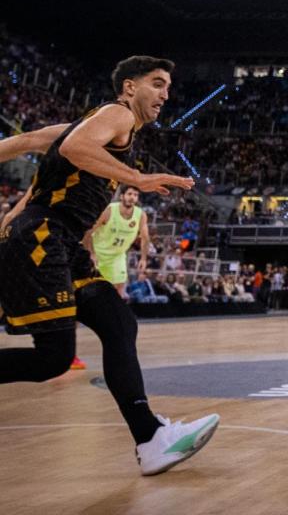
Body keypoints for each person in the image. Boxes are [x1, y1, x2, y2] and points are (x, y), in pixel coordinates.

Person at [0, 56, 218, 475]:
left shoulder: (93, 125)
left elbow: (31, 141)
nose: (165, 94)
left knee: (118, 325)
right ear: (130, 88)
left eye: (169, 86)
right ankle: (150, 437)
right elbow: (71, 148)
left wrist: (20, 208)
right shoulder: (115, 114)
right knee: (54, 359)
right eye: (157, 83)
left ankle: (151, 438)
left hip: (57, 240)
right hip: (44, 238)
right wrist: (137, 179)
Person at [84, 185, 150, 298]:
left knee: (119, 289)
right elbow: (89, 232)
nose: (132, 197)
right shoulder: (109, 210)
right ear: (121, 196)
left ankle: (112, 314)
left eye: (135, 195)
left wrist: (143, 258)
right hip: (98, 254)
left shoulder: (140, 215)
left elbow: (145, 238)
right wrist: (91, 253)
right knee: (90, 289)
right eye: (129, 194)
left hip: (117, 256)